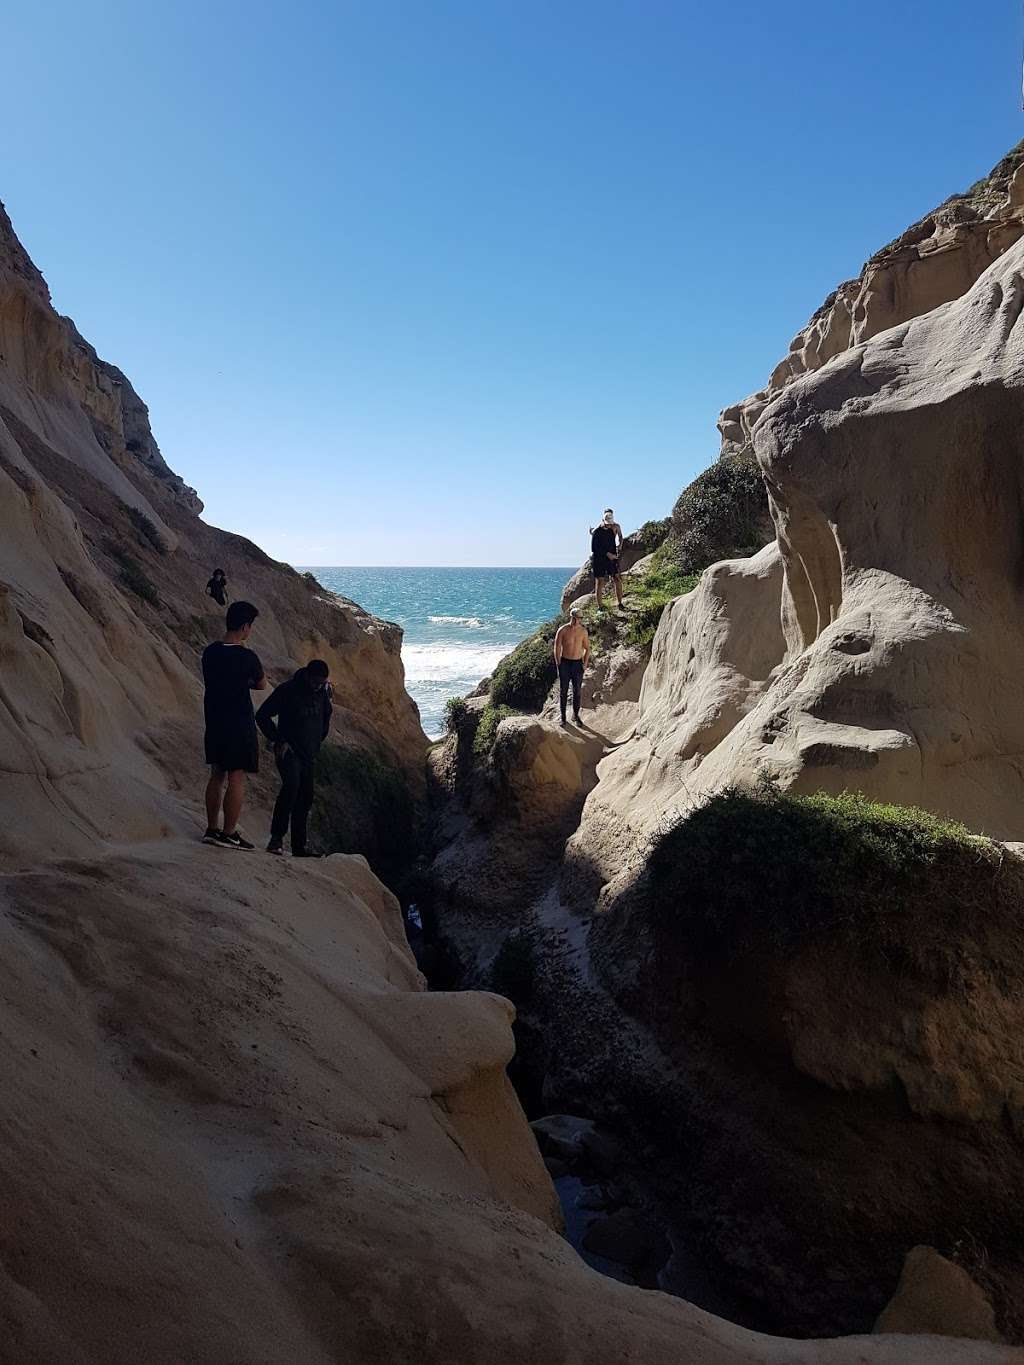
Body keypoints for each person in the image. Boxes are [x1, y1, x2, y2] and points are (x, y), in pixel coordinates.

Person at [201, 600, 266, 850]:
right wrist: (243, 683)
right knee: (236, 777)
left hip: (215, 719)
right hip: (239, 722)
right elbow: (260, 684)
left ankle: (211, 829)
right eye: (250, 627)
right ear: (245, 626)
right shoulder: (247, 656)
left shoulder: (210, 652)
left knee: (216, 774)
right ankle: (229, 833)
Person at [256, 660, 333, 857]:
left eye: (322, 683)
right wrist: (278, 739)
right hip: (289, 751)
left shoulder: (322, 693)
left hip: (309, 753)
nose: (318, 686)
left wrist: (318, 741)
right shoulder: (287, 690)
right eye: (316, 682)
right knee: (291, 788)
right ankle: (276, 840)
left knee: (306, 797)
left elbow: (326, 717)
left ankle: (299, 846)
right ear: (307, 675)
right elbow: (262, 716)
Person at [552, 607, 590, 726]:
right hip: (565, 663)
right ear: (571, 617)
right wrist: (558, 663)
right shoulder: (562, 630)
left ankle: (576, 715)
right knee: (563, 691)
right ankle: (563, 717)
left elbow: (587, 648)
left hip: (577, 664)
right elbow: (557, 648)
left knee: (577, 691)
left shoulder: (583, 631)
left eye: (579, 618)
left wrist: (585, 663)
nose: (576, 621)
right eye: (575, 618)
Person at [590, 508, 623, 609]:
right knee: (600, 581)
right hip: (599, 559)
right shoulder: (597, 531)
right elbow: (594, 548)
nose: (609, 525)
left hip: (611, 558)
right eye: (607, 523)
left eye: (610, 523)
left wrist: (619, 547)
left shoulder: (612, 529)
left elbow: (619, 537)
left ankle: (620, 603)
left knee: (617, 578)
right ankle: (600, 607)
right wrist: (607, 554)